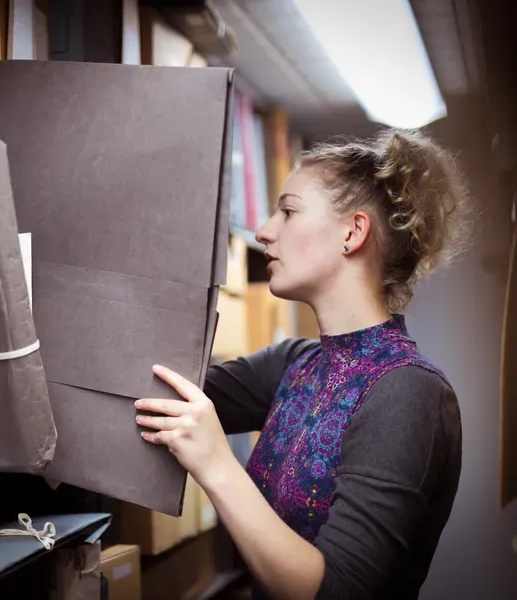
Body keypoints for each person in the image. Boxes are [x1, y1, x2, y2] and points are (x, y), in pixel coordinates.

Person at [134, 129, 471, 600]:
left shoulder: (408, 394)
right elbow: (150, 392)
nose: (265, 231)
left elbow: (339, 591)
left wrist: (216, 463)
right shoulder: (295, 365)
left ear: (353, 233)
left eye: (288, 212)